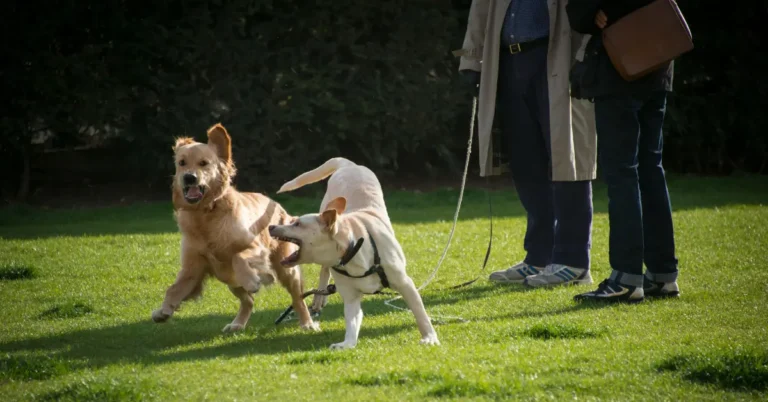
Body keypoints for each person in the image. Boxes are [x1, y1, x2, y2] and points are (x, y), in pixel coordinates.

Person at [455, 0, 598, 287]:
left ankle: (573, 261)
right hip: (507, 62)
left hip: (557, 59)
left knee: (567, 159)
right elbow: (481, 8)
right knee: (524, 161)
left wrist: (585, 58)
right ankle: (539, 257)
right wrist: (472, 60)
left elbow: (588, 12)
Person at [566, 0, 681, 303]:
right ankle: (662, 274)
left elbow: (579, 14)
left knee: (623, 173)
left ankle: (626, 277)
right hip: (657, 61)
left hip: (621, 68)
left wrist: (596, 12)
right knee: (651, 170)